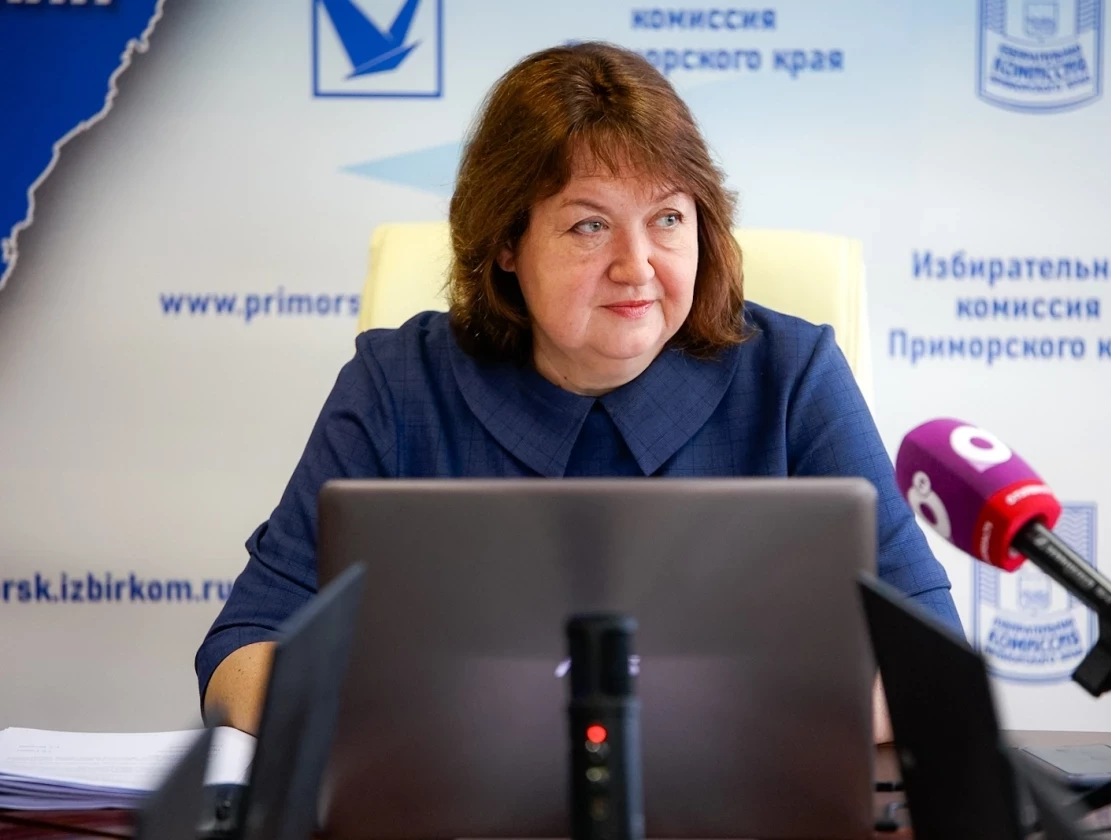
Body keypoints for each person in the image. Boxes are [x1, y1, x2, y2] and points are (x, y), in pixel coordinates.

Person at [196, 41, 963, 740]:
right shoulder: (399, 384)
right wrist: (424, 718)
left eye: (668, 217)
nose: (637, 265)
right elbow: (241, 655)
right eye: (590, 226)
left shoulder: (793, 376)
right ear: (506, 241)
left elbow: (933, 664)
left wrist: (709, 719)